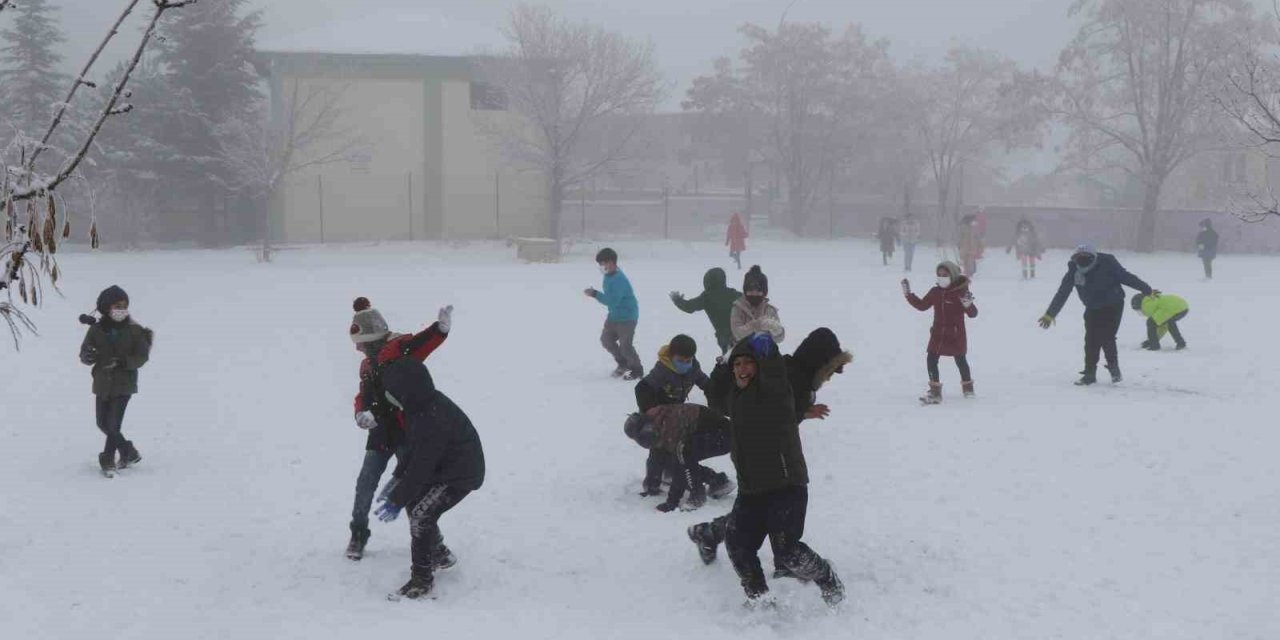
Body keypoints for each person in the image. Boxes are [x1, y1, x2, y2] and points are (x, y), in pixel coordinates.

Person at [686, 334, 844, 607]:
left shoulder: (775, 390)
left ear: (760, 366)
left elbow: (775, 374)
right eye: (738, 365)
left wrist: (765, 347)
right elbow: (715, 396)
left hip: (785, 485)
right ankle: (760, 599)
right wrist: (723, 363)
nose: (742, 369)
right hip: (751, 488)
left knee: (787, 552)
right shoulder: (735, 397)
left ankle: (826, 577)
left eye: (749, 363)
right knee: (737, 545)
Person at [372, 350, 485, 601]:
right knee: (417, 506)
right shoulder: (418, 408)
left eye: (392, 391)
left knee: (422, 514)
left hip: (460, 474)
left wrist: (397, 498)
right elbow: (414, 451)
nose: (389, 397)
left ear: (406, 390)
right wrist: (398, 478)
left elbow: (423, 464)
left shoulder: (431, 416)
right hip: (443, 468)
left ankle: (421, 580)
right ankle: (439, 554)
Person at [345, 297, 453, 561]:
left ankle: (435, 544)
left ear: (372, 339)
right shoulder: (367, 365)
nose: (357, 348)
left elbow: (422, 342)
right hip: (380, 434)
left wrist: (439, 329)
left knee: (412, 487)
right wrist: (361, 412)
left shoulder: (400, 348)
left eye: (360, 343)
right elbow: (364, 394)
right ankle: (358, 533)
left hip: (408, 432)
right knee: (365, 484)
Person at [1039, 244, 1153, 386]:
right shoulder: (1074, 270)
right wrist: (1050, 314)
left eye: (1086, 258)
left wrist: (1147, 290)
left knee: (1107, 337)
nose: (1082, 262)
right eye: (1079, 259)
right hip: (1092, 306)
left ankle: (1113, 368)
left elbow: (1126, 277)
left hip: (1113, 304)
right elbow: (1063, 292)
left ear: (1094, 257)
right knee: (1091, 339)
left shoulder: (1107, 263)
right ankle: (1089, 374)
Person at [78, 285, 153, 477]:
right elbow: (85, 353)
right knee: (102, 423)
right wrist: (88, 356)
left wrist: (123, 362)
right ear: (106, 307)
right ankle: (129, 452)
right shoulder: (96, 330)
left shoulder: (135, 330)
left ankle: (108, 460)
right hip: (102, 383)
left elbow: (142, 356)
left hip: (124, 383)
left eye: (124, 305)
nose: (121, 309)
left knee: (113, 425)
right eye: (116, 305)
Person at [635, 334, 711, 497]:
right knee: (658, 448)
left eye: (687, 360)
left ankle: (670, 474)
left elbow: (706, 383)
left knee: (676, 449)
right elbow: (641, 388)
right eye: (680, 360)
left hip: (678, 415)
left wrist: (716, 395)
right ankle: (652, 483)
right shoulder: (662, 370)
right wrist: (650, 411)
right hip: (660, 415)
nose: (684, 364)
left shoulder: (693, 368)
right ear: (671, 356)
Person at [623, 404, 735, 513]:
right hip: (711, 434)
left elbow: (680, 465)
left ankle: (697, 496)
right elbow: (656, 455)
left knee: (683, 453)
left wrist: (672, 502)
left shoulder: (670, 425)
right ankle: (717, 480)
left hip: (725, 436)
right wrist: (652, 485)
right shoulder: (657, 423)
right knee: (674, 456)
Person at [902, 263, 978, 404]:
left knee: (960, 360)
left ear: (953, 276)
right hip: (938, 333)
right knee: (931, 359)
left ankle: (968, 389)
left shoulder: (960, 293)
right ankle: (935, 392)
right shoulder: (935, 292)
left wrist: (968, 305)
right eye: (940, 275)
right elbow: (922, 305)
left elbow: (973, 314)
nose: (942, 278)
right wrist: (908, 294)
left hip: (955, 334)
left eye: (945, 275)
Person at [585, 247, 643, 380]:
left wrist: (595, 294)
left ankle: (637, 370)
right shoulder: (609, 275)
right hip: (614, 315)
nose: (601, 267)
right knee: (606, 340)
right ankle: (623, 364)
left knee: (625, 345)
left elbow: (612, 301)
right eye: (599, 264)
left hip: (628, 317)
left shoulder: (619, 280)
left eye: (602, 263)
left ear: (611, 262)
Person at [670, 268, 742, 356]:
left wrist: (678, 300)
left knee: (730, 360)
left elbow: (689, 307)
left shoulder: (707, 297)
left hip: (724, 337)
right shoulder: (733, 293)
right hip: (741, 333)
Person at [730, 265, 785, 343]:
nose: (754, 294)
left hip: (765, 351)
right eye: (751, 291)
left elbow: (779, 339)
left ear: (764, 293)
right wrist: (757, 325)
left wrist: (777, 330)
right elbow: (737, 334)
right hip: (742, 350)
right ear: (745, 291)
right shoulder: (738, 308)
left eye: (758, 291)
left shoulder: (770, 310)